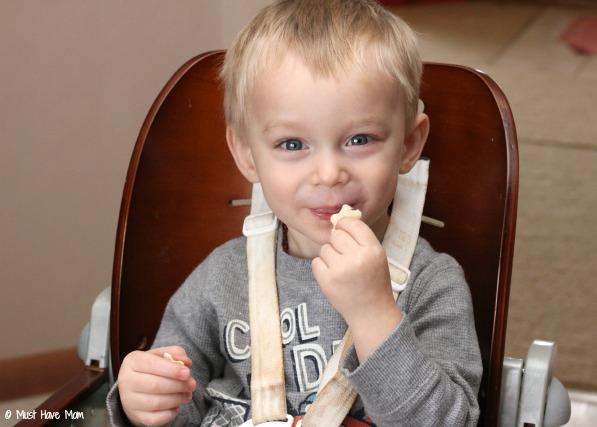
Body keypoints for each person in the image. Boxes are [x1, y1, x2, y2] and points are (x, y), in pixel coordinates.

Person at [107, 0, 482, 426]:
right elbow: (181, 408)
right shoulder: (222, 279)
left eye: (360, 139)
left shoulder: (431, 284)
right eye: (292, 144)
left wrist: (373, 312)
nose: (328, 174)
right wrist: (147, 400)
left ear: (409, 145)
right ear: (247, 155)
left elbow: (449, 421)